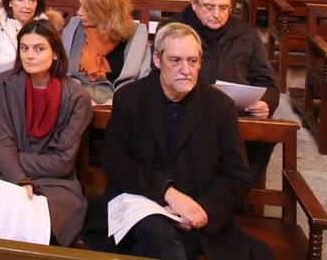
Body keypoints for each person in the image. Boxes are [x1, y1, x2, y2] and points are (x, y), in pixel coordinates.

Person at [82, 22, 271, 260]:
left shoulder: (220, 106)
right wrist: (167, 192)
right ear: (158, 59)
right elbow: (115, 161)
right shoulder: (130, 98)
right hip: (140, 203)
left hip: (199, 212)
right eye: (176, 60)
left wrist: (202, 210)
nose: (186, 69)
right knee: (156, 234)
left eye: (193, 61)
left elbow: (236, 176)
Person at [0, 20, 92, 245]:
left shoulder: (77, 97)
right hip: (6, 175)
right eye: (24, 48)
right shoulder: (2, 84)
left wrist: (1, 159)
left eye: (39, 49)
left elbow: (61, 163)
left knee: (43, 221)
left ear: (56, 53)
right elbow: (2, 141)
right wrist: (19, 179)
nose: (30, 55)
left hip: (55, 182)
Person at [178, 0, 279, 187]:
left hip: (236, 115)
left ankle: (233, 195)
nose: (217, 14)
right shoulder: (175, 30)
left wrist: (265, 103)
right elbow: (159, 76)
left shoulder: (246, 34)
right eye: (209, 6)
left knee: (263, 138)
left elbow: (268, 84)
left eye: (223, 7)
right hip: (187, 112)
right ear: (194, 3)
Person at [61, 0, 150, 104]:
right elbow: (64, 74)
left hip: (121, 100)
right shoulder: (74, 26)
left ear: (104, 11)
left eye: (87, 9)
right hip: (77, 100)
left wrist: (117, 101)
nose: (79, 12)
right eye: (80, 6)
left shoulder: (136, 33)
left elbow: (143, 80)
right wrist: (81, 96)